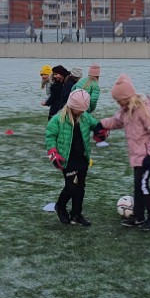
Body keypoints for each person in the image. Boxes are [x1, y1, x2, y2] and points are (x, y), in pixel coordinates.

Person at [98, 74, 150, 231]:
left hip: (148, 157)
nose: (118, 103)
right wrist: (100, 124)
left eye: (118, 100)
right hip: (137, 157)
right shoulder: (126, 110)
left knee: (143, 185)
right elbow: (116, 122)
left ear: (126, 97)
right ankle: (139, 216)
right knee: (137, 186)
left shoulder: (145, 110)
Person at [45, 89, 104, 226]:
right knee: (71, 186)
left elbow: (95, 124)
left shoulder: (85, 117)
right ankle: (60, 206)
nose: (83, 111)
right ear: (72, 106)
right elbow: (50, 137)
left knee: (80, 187)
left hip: (82, 157)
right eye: (80, 109)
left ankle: (76, 215)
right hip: (67, 159)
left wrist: (100, 130)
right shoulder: (57, 120)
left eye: (84, 109)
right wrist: (53, 153)